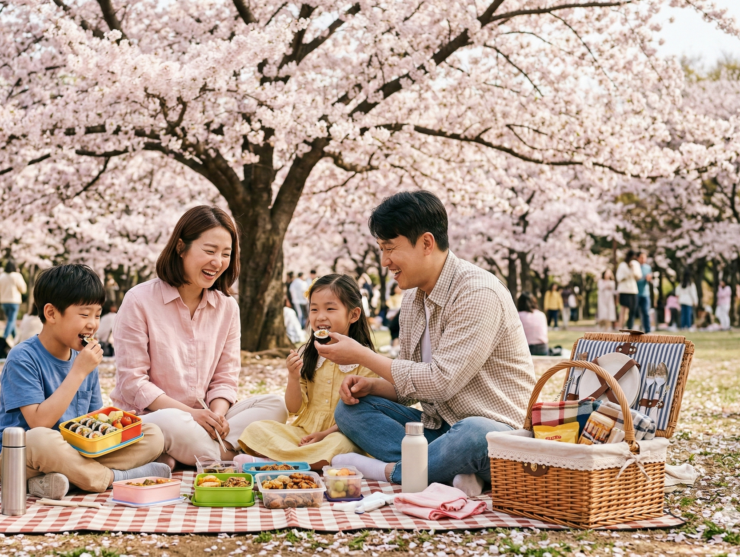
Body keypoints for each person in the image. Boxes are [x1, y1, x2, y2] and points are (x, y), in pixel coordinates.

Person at [317, 191, 535, 496]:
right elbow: (413, 387)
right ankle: (449, 470)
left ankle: (392, 471)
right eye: (381, 250)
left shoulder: (477, 293)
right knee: (350, 409)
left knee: (472, 434)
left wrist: (363, 356)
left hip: (497, 432)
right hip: (437, 427)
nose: (384, 262)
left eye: (390, 249)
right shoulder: (413, 300)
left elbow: (441, 382)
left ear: (427, 243)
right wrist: (373, 387)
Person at [112, 206, 288, 467]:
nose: (218, 262)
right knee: (169, 423)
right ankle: (224, 455)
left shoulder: (227, 307)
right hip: (154, 416)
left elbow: (225, 379)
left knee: (276, 405)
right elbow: (133, 383)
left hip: (204, 419)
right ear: (181, 247)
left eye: (226, 254)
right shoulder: (139, 300)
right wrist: (192, 415)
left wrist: (215, 416)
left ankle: (195, 453)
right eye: (209, 251)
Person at [0, 264, 168, 499]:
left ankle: (56, 482)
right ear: (51, 314)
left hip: (74, 450)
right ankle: (112, 478)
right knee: (40, 439)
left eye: (97, 315)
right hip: (20, 456)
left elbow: (89, 422)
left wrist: (115, 424)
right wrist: (78, 372)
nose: (92, 324)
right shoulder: (23, 357)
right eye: (84, 314)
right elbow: (39, 423)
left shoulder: (83, 359)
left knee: (152, 434)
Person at [238, 275, 380, 469]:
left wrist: (324, 435)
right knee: (256, 429)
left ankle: (273, 462)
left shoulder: (365, 358)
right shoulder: (307, 353)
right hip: (304, 431)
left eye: (330, 309)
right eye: (314, 309)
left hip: (344, 432)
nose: (320, 316)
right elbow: (294, 408)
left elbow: (364, 413)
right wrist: (293, 377)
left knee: (339, 446)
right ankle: (301, 461)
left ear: (353, 315)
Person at [0, 261, 28, 340]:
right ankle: (4, 337)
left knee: (10, 321)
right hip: (14, 301)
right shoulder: (17, 276)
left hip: (4, 302)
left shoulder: (1, 276)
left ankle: (15, 338)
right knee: (11, 320)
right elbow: (23, 289)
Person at [616, 250, 642, 330]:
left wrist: (632, 269)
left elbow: (638, 276)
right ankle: (621, 326)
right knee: (623, 309)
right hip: (624, 290)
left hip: (633, 290)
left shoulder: (635, 264)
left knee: (633, 309)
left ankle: (630, 326)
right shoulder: (622, 265)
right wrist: (626, 275)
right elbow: (618, 277)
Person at [631, 252, 653, 333]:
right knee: (633, 312)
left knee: (646, 312)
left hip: (645, 293)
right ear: (638, 258)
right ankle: (631, 329)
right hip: (635, 292)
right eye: (641, 257)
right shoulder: (635, 266)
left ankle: (647, 330)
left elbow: (650, 279)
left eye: (644, 258)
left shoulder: (648, 267)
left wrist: (649, 278)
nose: (643, 259)